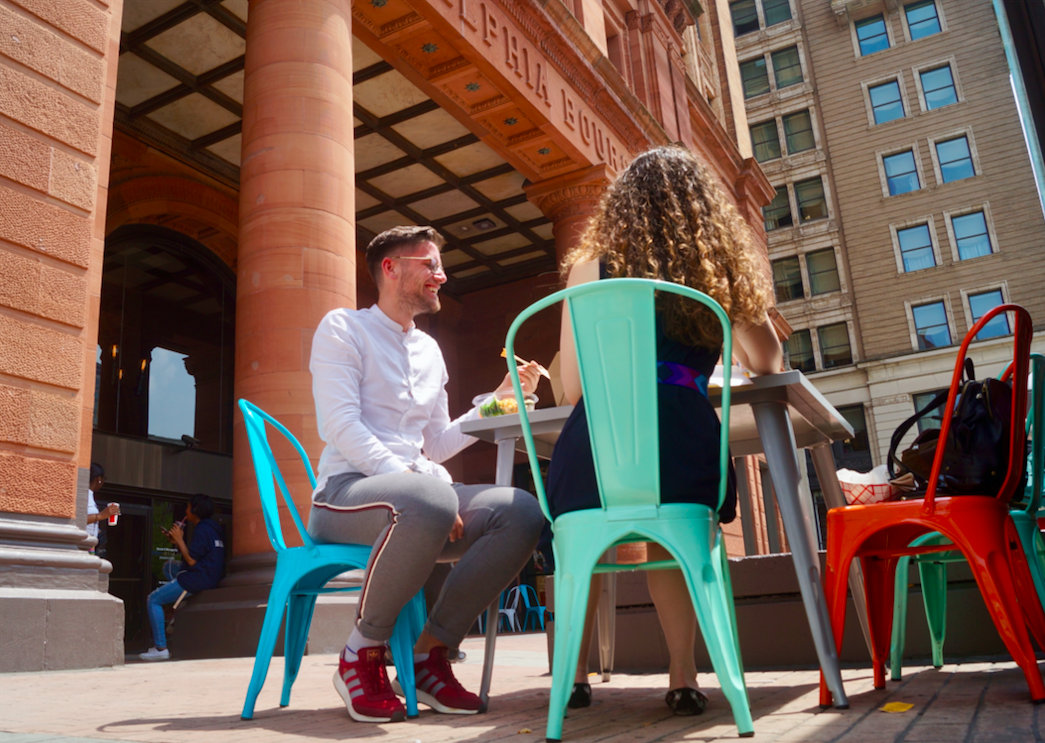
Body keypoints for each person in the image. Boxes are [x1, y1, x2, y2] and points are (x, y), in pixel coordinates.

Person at [547, 146, 783, 716]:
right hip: (683, 448)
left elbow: (572, 392)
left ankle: (574, 676)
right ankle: (683, 675)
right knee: (668, 539)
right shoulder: (714, 267)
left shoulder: (589, 268)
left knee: (587, 537)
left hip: (594, 455)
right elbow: (768, 362)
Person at [308, 225, 546, 723]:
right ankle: (361, 653)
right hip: (345, 494)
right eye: (429, 264)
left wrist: (502, 399)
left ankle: (428, 655)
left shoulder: (430, 350)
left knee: (521, 510)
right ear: (391, 268)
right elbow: (340, 425)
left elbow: (435, 443)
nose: (442, 275)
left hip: (419, 497)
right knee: (432, 497)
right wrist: (423, 487)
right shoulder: (342, 327)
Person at [140, 493, 226, 661]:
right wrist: (176, 541)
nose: (186, 510)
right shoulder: (215, 529)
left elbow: (191, 560)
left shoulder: (201, 529)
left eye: (187, 507)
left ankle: (161, 647)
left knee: (153, 599)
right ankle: (177, 607)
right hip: (211, 577)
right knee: (169, 567)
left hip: (197, 578)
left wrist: (179, 539)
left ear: (194, 509)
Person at [85, 462, 119, 549]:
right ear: (99, 479)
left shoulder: (89, 495)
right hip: (81, 545)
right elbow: (77, 520)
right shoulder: (83, 494)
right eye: (104, 478)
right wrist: (101, 515)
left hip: (89, 544)